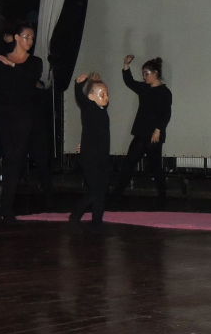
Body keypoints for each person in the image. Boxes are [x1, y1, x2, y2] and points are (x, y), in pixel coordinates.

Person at [0, 22, 44, 223]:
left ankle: (6, 207)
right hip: (4, 116)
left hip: (24, 116)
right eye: (26, 36)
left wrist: (12, 65)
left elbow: (30, 80)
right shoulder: (0, 60)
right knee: (9, 157)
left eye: (32, 37)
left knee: (15, 158)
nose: (30, 40)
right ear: (16, 37)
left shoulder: (35, 62)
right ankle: (4, 205)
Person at [112, 55, 172, 202]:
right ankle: (115, 195)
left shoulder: (165, 92)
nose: (144, 77)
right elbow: (130, 82)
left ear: (155, 73)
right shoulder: (144, 88)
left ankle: (162, 197)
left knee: (155, 167)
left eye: (146, 73)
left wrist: (158, 130)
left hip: (154, 136)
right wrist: (126, 65)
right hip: (141, 133)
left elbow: (166, 113)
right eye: (143, 74)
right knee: (129, 163)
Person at [69, 72, 111, 228]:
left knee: (101, 190)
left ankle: (97, 220)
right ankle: (76, 214)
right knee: (95, 190)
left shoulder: (102, 110)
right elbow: (81, 98)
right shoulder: (89, 108)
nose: (106, 97)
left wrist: (96, 82)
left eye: (107, 94)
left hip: (102, 158)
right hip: (89, 158)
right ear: (91, 97)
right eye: (102, 94)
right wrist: (78, 84)